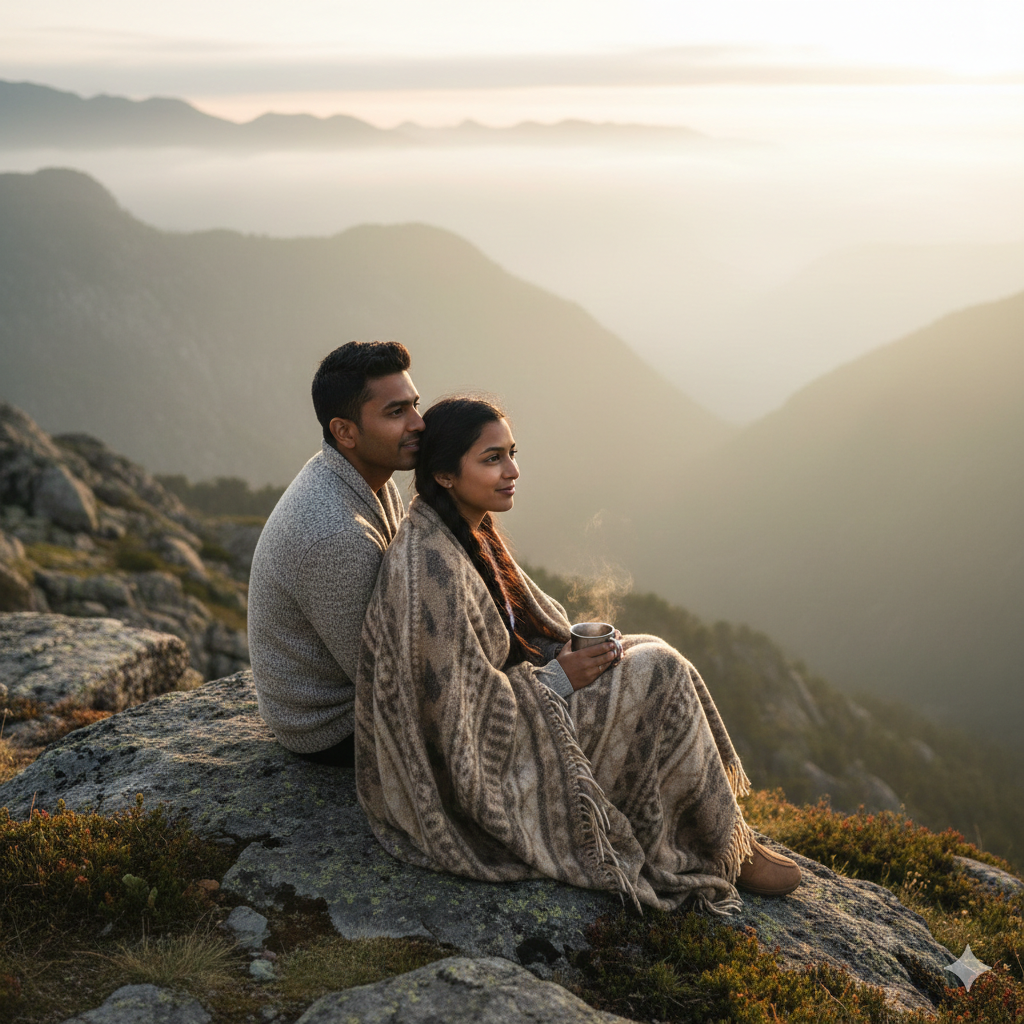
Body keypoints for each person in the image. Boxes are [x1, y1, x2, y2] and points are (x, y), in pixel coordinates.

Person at [355, 396, 800, 913]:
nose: (513, 470)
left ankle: (721, 832)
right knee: (661, 671)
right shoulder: (429, 570)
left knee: (650, 649)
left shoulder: (463, 528)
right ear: (446, 475)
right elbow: (455, 723)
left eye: (512, 453)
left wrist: (563, 654)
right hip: (481, 771)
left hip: (518, 708)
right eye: (492, 458)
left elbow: (516, 632)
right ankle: (725, 850)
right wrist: (559, 679)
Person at [248, 341, 425, 767]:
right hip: (332, 728)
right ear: (344, 431)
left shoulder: (364, 476)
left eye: (415, 405)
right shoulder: (336, 537)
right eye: (396, 412)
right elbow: (391, 687)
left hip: (353, 687)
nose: (419, 423)